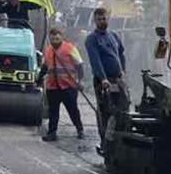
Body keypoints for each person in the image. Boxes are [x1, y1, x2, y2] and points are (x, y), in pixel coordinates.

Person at [84, 7, 128, 143]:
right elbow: (95, 60)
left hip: (117, 80)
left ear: (108, 19)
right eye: (99, 19)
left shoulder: (114, 36)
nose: (102, 21)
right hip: (103, 81)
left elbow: (121, 53)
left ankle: (119, 139)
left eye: (104, 18)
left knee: (122, 108)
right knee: (105, 111)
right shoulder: (92, 39)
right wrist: (103, 78)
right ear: (95, 21)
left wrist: (123, 71)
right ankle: (105, 141)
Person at [37, 28, 84, 141]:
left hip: (68, 86)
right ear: (50, 38)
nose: (55, 38)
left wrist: (80, 81)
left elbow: (79, 65)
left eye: (57, 36)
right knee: (53, 111)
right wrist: (38, 79)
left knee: (73, 110)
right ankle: (52, 133)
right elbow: (45, 67)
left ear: (61, 37)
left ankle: (80, 129)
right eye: (53, 37)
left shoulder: (70, 48)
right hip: (53, 87)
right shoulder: (48, 50)